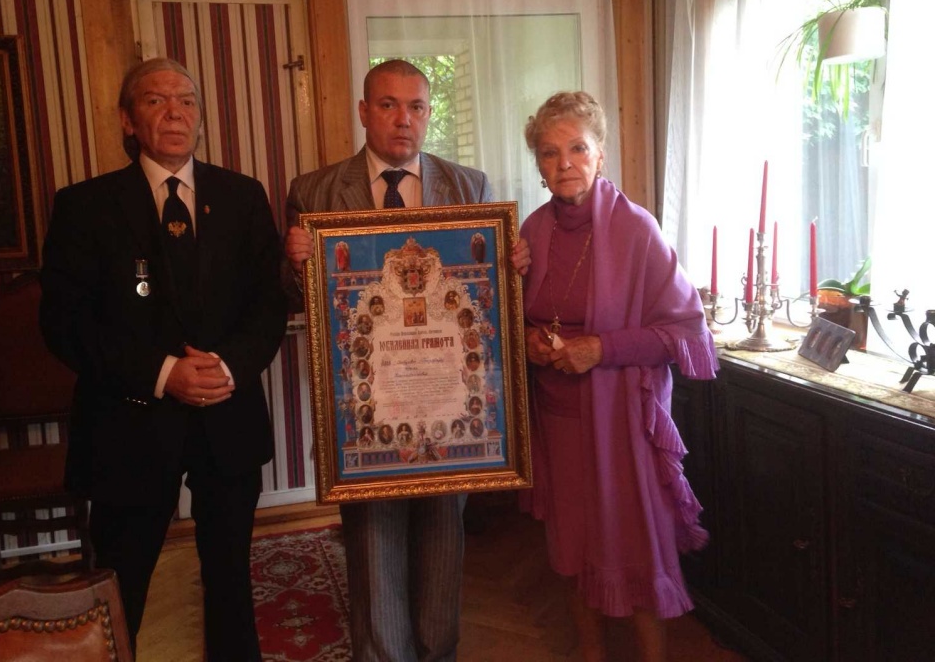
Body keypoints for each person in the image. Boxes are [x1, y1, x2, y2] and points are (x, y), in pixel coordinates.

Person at [40, 57, 287, 660]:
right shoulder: (84, 206)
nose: (175, 112)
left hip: (228, 419)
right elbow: (65, 326)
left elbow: (268, 305)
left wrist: (227, 367)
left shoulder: (243, 196)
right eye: (156, 100)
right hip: (128, 426)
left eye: (187, 101)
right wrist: (164, 374)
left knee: (231, 581)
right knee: (120, 588)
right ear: (128, 120)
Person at [284, 59, 529, 661]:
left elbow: (483, 297)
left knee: (443, 539)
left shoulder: (469, 186)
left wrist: (511, 266)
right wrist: (295, 266)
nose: (403, 119)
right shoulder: (314, 191)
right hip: (366, 407)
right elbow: (299, 303)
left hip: (448, 405)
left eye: (416, 106)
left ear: (428, 114)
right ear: (364, 111)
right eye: (389, 105)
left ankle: (437, 653)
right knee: (373, 546)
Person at [519, 91, 717, 662]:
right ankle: (591, 653)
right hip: (556, 418)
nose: (565, 164)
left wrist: (600, 349)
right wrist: (528, 340)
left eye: (578, 148)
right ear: (538, 163)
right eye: (550, 152)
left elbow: (686, 331)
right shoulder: (530, 231)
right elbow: (512, 317)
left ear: (600, 153)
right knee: (571, 546)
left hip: (621, 419)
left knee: (634, 543)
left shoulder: (637, 229)